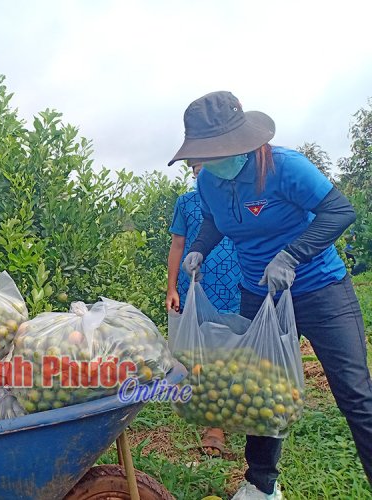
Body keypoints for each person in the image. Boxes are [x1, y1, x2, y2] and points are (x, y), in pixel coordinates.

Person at [168, 90, 372, 500]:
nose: (203, 163)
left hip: (319, 289)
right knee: (261, 390)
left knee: (354, 391)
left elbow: (340, 210)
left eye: (210, 153)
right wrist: (198, 249)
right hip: (259, 295)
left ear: (239, 144)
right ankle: (261, 485)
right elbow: (214, 221)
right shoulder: (209, 181)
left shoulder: (284, 167)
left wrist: (291, 255)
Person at [166, 159, 242, 457]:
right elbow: (177, 245)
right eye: (196, 172)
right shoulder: (186, 203)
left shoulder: (237, 196)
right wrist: (171, 287)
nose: (201, 177)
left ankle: (225, 412)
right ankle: (214, 419)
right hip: (196, 285)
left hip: (237, 282)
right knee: (204, 351)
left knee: (231, 347)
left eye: (206, 170)